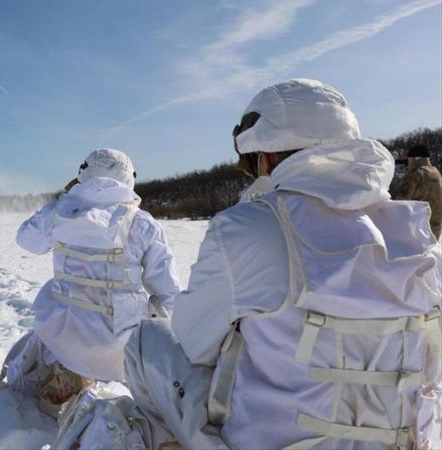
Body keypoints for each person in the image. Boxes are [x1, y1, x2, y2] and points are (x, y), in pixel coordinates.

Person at [117, 79, 442, 449]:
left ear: (267, 157)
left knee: (146, 340)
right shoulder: (418, 241)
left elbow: (194, 343)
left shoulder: (249, 228)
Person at [1, 148, 181, 413]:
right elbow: (169, 292)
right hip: (119, 349)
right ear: (129, 179)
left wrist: (57, 205)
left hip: (62, 337)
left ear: (82, 174)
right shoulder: (142, 224)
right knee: (154, 313)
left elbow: (27, 240)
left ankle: (63, 376)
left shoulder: (59, 213)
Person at [396, 144, 442, 239]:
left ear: (416, 158)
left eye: (409, 158)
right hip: (435, 227)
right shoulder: (436, 173)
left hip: (418, 229)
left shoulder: (416, 173)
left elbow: (401, 202)